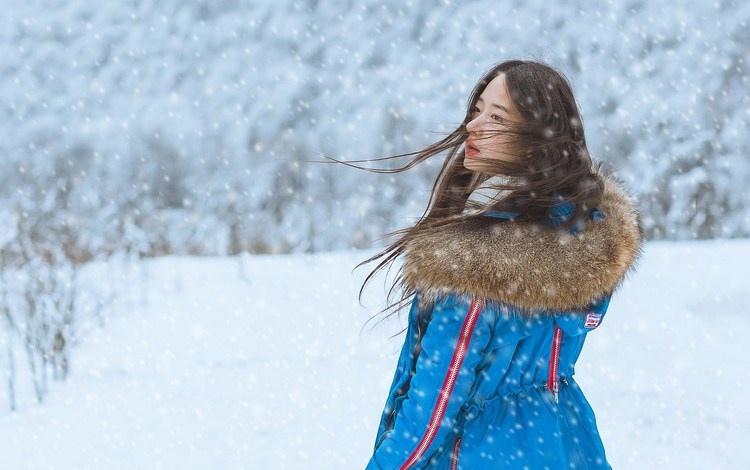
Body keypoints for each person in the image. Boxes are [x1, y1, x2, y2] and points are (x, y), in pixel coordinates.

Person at [348, 60, 644, 469]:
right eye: (477, 110)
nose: (473, 125)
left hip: (476, 451)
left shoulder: (478, 263)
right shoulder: (578, 237)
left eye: (497, 117)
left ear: (536, 137)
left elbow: (433, 408)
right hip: (560, 442)